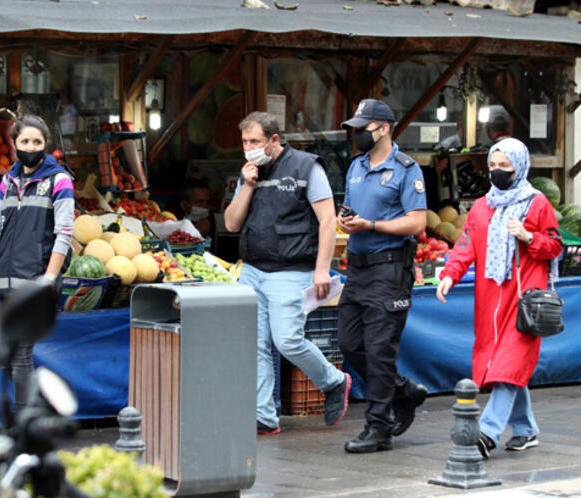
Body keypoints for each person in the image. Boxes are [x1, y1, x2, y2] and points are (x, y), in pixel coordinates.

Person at [224, 111, 351, 435]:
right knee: (255, 345)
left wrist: (322, 269)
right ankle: (264, 416)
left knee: (287, 340)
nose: (248, 148)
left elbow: (327, 220)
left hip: (291, 270)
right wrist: (248, 185)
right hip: (253, 269)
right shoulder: (248, 173)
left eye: (255, 141)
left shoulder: (307, 167)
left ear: (274, 140)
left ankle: (334, 380)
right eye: (244, 142)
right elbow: (231, 223)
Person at [436, 138, 562, 459]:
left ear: (519, 166)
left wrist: (528, 236)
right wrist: (450, 273)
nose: (497, 172)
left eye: (504, 166)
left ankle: (488, 433)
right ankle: (525, 429)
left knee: (508, 364)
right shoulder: (482, 207)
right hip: (490, 302)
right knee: (505, 367)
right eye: (492, 166)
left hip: (524, 300)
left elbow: (553, 246)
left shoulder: (538, 204)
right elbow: (465, 245)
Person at [336, 99, 428, 453]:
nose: (360, 134)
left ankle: (379, 428)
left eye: (366, 127)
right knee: (349, 343)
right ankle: (403, 390)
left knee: (378, 350)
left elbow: (417, 222)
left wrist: (372, 224)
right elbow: (351, 208)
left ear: (385, 128)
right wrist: (347, 220)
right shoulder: (356, 166)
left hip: (390, 269)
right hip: (357, 269)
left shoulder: (406, 170)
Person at [0, 114, 75, 412]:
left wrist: (49, 278)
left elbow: (65, 233)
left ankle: (25, 421)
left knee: (21, 356)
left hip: (34, 284)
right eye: (25, 141)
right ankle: (37, 401)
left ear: (46, 145)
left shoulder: (59, 180)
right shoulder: (7, 181)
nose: (30, 146)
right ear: (14, 143)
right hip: (5, 281)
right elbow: (0, 233)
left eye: (37, 141)